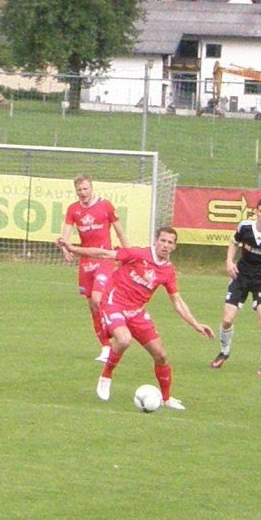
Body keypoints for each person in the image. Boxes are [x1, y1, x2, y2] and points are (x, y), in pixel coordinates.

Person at [57, 227, 214, 409]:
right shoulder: (138, 254)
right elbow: (104, 253)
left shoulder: (168, 271)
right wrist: (73, 248)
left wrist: (196, 324)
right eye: (163, 240)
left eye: (170, 242)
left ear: (174, 247)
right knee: (124, 339)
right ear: (156, 241)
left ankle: (166, 398)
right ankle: (106, 375)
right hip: (114, 302)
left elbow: (176, 301)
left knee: (161, 356)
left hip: (136, 311)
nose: (165, 245)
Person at [210, 197, 261, 376]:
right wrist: (229, 261)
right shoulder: (245, 227)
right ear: (256, 212)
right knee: (227, 320)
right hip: (240, 278)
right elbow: (233, 243)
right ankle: (224, 352)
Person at [61, 175, 130, 363]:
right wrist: (64, 246)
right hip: (86, 262)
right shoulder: (73, 210)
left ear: (92, 188)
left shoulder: (105, 206)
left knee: (98, 299)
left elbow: (120, 232)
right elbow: (66, 233)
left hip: (104, 258)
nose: (83, 193)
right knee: (93, 306)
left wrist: (129, 254)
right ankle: (106, 347)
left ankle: (116, 329)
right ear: (76, 191)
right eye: (79, 190)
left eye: (85, 189)